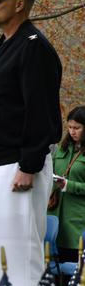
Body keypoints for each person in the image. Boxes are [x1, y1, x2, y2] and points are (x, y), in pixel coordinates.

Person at [0, 0, 62, 286]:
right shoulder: (7, 44)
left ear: (20, 4)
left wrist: (28, 165)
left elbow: (41, 114)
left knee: (20, 258)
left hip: (19, 165)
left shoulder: (33, 47)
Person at [49, 106, 85, 263]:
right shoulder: (62, 149)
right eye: (70, 127)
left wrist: (69, 186)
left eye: (77, 128)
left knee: (75, 271)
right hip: (55, 219)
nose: (72, 131)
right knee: (54, 273)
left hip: (77, 222)